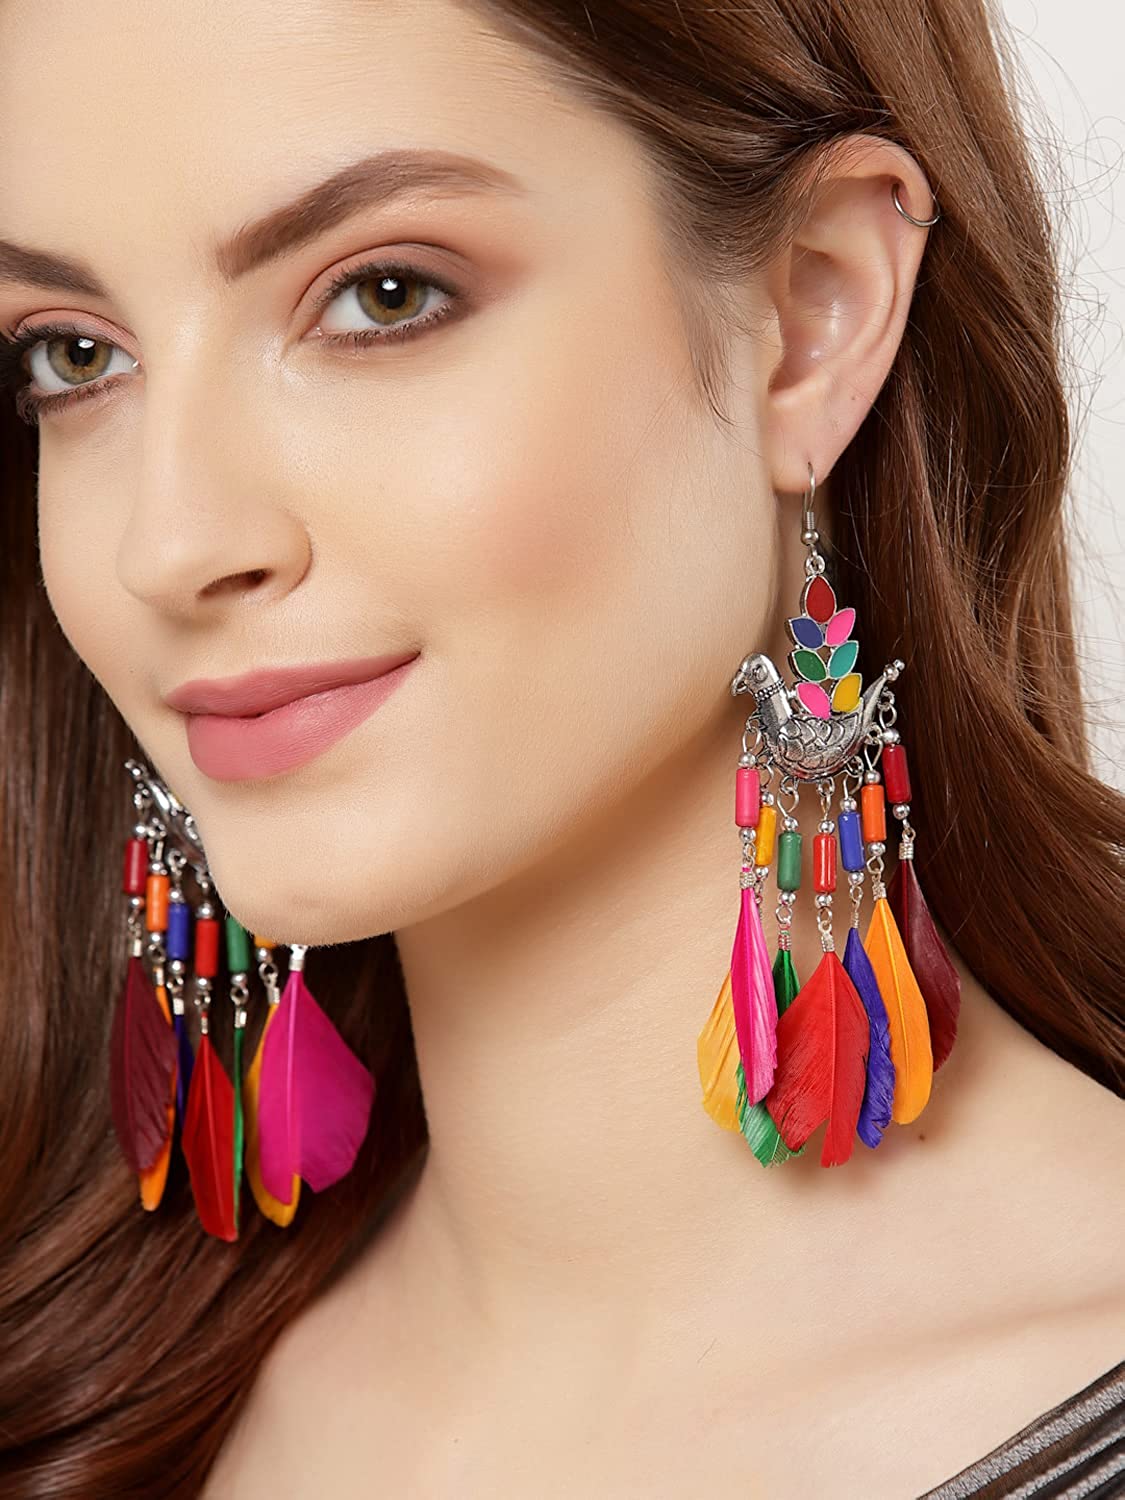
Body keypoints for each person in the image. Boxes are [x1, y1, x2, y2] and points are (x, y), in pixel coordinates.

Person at [0, 0, 1122, 1495]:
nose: (170, 544)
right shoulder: (71, 1381)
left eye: (384, 295)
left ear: (812, 315)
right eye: (74, 356)